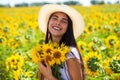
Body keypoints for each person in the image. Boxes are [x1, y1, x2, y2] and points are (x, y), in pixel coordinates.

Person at [38, 4, 85, 80]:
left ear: (68, 27)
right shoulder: (47, 52)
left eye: (64, 21)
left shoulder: (70, 53)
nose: (58, 23)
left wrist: (49, 76)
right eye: (55, 18)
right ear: (48, 22)